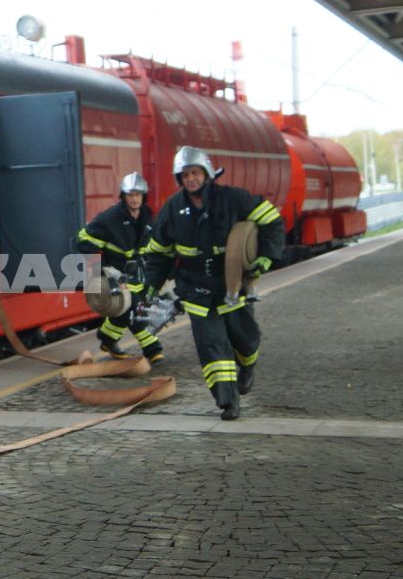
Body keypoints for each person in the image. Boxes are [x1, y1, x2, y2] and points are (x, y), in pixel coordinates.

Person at [140, 147, 284, 420]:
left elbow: (272, 222)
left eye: (195, 173)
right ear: (179, 178)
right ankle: (227, 401)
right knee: (212, 346)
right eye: (185, 174)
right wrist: (151, 283)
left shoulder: (233, 198)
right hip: (195, 288)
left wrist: (266, 256)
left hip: (231, 284)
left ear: (207, 173)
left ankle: (247, 366)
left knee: (246, 339)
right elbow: (159, 252)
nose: (191, 178)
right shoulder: (172, 209)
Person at [75, 171, 164, 364]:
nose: (134, 199)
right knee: (133, 309)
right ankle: (151, 347)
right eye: (130, 195)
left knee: (126, 311)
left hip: (138, 274)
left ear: (143, 196)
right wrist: (102, 265)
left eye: (137, 195)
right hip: (115, 274)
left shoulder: (148, 217)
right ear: (123, 197)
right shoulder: (109, 218)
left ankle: (107, 339)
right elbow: (83, 239)